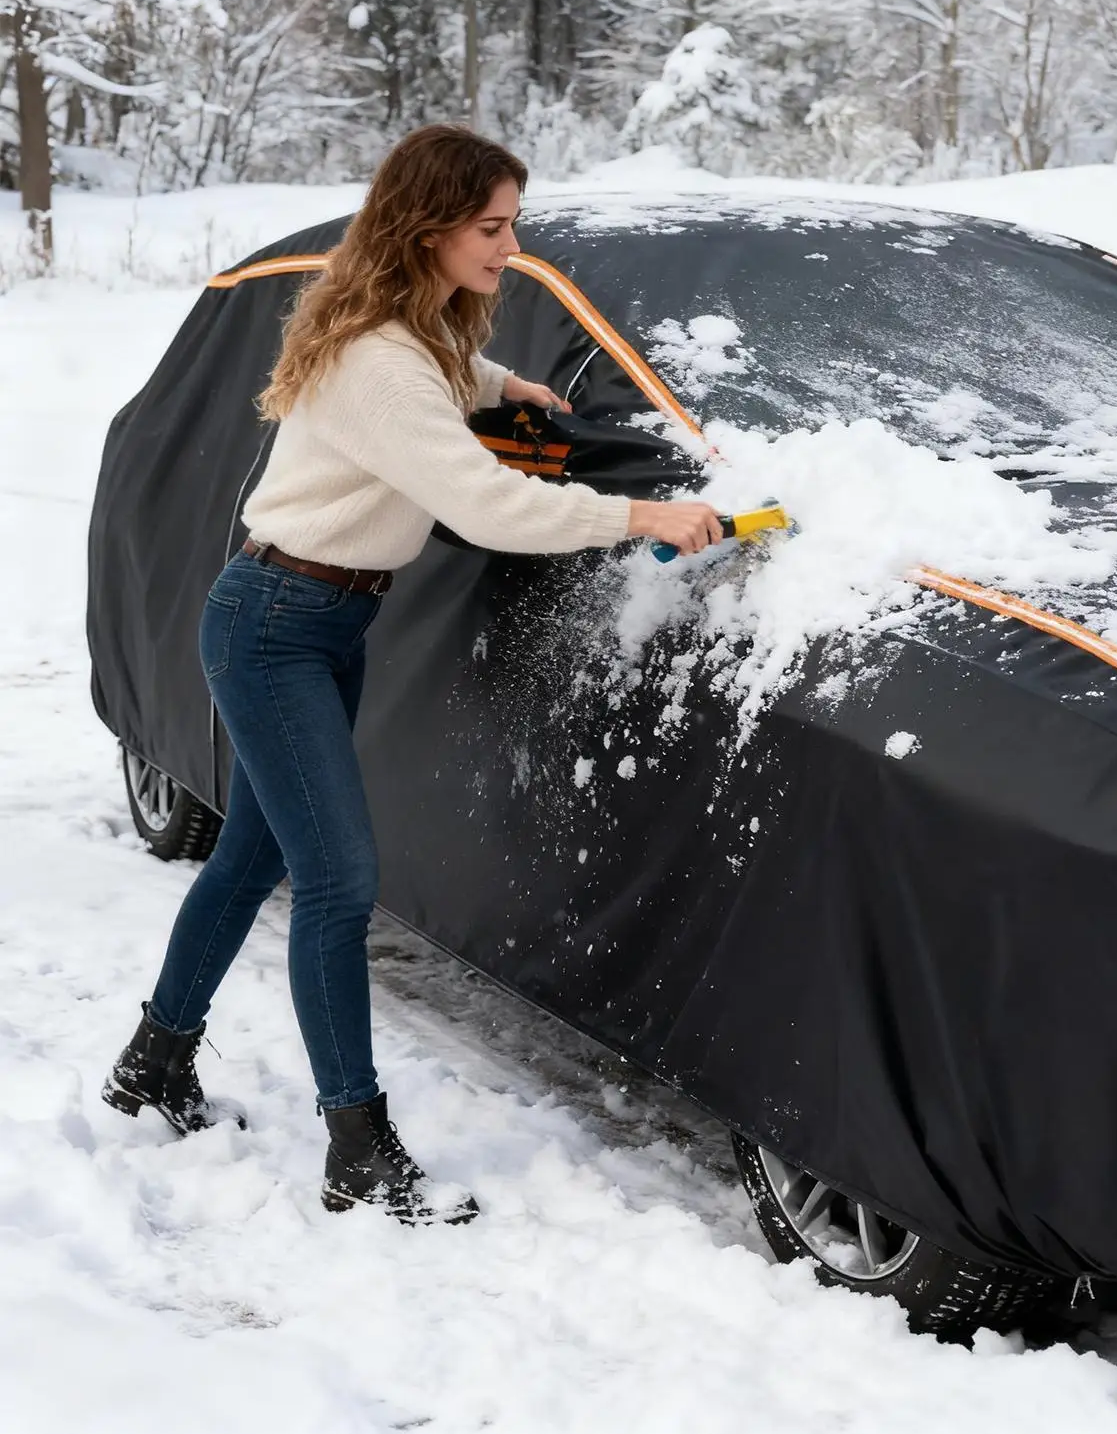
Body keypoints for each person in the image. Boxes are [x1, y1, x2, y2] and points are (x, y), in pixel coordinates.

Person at [101, 124, 723, 1225]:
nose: (508, 245)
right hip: (278, 625)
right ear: (429, 227)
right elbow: (486, 505)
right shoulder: (380, 359)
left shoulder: (404, 329)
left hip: (317, 622)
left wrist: (503, 381)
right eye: (491, 227)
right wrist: (642, 514)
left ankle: (153, 1060)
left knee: (247, 859)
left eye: (510, 223)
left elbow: (443, 375)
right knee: (335, 882)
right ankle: (357, 1147)